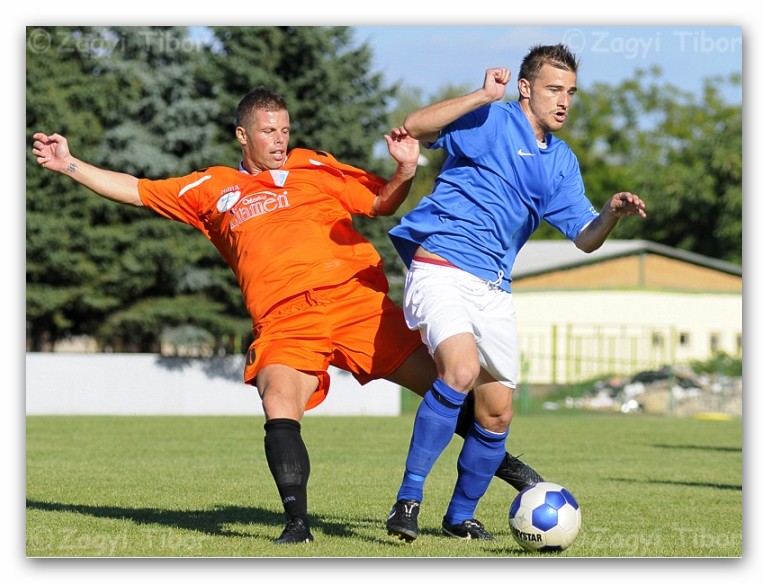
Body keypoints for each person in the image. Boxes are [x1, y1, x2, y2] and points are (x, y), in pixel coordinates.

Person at [31, 86, 543, 545]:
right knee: (278, 400)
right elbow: (137, 189)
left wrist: (406, 171)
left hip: (356, 303)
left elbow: (381, 203)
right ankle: (297, 523)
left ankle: (511, 476)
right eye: (267, 131)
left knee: (453, 388)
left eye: (284, 130)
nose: (279, 140)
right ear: (242, 135)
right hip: (285, 319)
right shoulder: (212, 187)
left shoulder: (315, 167)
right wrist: (70, 164)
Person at [385, 44, 647, 542]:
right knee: (460, 371)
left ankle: (459, 517)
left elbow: (585, 238)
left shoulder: (561, 162)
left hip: (494, 286)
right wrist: (483, 94)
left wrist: (610, 213)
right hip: (442, 266)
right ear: (525, 88)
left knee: (497, 410)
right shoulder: (490, 119)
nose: (564, 101)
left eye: (571, 92)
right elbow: (415, 125)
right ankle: (408, 500)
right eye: (554, 89)